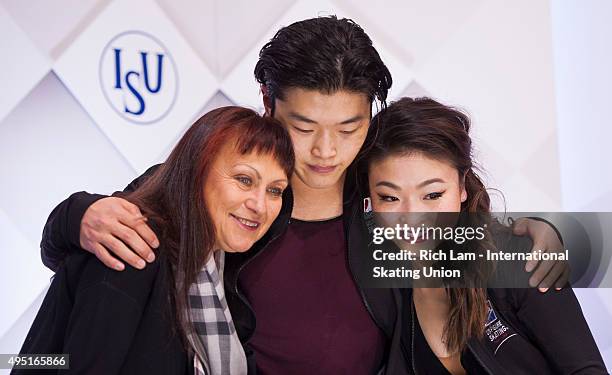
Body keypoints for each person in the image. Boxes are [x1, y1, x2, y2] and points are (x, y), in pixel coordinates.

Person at [38, 17, 568, 374]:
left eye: (349, 127)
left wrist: (545, 235)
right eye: (304, 125)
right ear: (268, 103)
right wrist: (76, 214)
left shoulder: (384, 210)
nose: (326, 151)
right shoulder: (222, 194)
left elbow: (490, 256)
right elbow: (97, 255)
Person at [15, 107, 294, 375]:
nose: (260, 205)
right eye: (244, 180)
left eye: (274, 190)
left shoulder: (222, 264)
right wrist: (72, 214)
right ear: (197, 171)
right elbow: (64, 363)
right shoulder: (134, 243)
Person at [361, 97, 607, 374]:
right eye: (390, 197)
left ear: (462, 187)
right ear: (370, 199)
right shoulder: (386, 290)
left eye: (432, 195)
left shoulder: (521, 259)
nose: (412, 216)